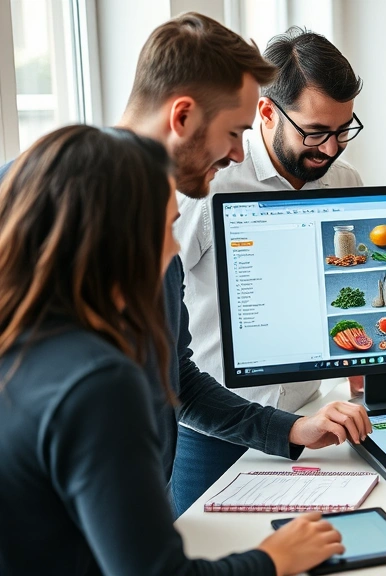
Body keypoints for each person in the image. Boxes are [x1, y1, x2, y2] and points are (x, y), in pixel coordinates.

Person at [0, 125, 342, 576]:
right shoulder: (97, 382)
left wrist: (291, 429)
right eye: (165, 227)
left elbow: (180, 380)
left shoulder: (30, 340)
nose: (174, 247)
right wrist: (274, 557)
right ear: (112, 241)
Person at [174, 26, 366, 510]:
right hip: (212, 430)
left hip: (308, 418)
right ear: (266, 112)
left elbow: (348, 286)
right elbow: (161, 309)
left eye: (343, 130)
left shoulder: (346, 183)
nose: (331, 148)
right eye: (316, 132)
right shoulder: (209, 182)